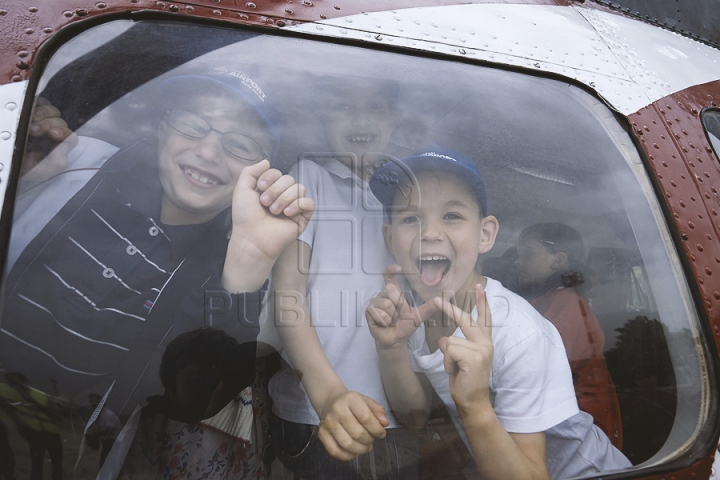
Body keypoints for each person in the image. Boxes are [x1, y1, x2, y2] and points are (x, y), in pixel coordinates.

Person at [0, 65, 314, 444]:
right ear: (164, 128)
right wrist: (16, 176)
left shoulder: (230, 265)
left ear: (262, 175)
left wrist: (247, 259)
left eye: (241, 145)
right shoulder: (75, 165)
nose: (208, 151)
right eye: (193, 124)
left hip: (69, 451)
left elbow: (194, 403)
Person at [365, 148, 630, 479]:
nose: (429, 233)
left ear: (485, 235)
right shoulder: (414, 314)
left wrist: (475, 406)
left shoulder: (520, 333)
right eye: (409, 218)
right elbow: (415, 416)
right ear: (391, 239)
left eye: (452, 216)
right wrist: (390, 348)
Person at [267, 77, 419, 478]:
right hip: (316, 409)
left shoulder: (406, 199)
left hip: (392, 413)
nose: (359, 119)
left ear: (395, 120)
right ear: (323, 118)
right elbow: (288, 295)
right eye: (344, 107)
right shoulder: (309, 178)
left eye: (374, 107)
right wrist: (330, 394)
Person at [515, 223, 623, 449]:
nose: (518, 262)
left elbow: (534, 372)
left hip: (578, 428)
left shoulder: (568, 305)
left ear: (557, 261)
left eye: (528, 254)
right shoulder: (546, 301)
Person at [0, 372, 63, 480]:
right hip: (36, 434)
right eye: (9, 379)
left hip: (50, 434)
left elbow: (58, 414)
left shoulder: (39, 395)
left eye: (14, 380)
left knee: (51, 463)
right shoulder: (6, 391)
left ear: (23, 382)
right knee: (39, 463)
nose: (12, 382)